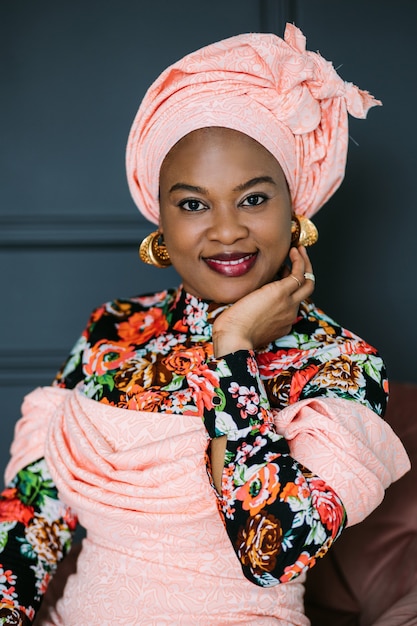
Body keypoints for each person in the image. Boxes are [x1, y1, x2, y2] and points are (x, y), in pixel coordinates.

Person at [0, 23, 410, 626]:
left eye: (253, 199)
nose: (225, 231)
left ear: (294, 208)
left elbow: (272, 549)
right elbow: (29, 521)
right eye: (193, 203)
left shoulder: (342, 362)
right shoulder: (114, 330)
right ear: (159, 219)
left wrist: (234, 349)